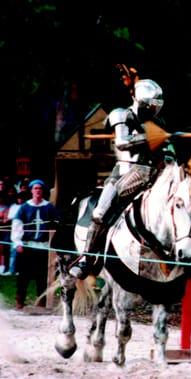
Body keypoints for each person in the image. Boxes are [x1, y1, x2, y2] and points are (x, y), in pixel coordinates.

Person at [69, 78, 172, 279]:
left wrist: (169, 150)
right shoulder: (122, 115)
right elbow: (123, 143)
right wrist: (150, 137)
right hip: (127, 172)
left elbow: (167, 151)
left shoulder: (158, 124)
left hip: (154, 173)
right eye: (152, 104)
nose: (155, 109)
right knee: (100, 212)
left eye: (157, 105)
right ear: (142, 102)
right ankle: (86, 259)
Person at [11, 179, 60, 309]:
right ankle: (20, 300)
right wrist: (18, 243)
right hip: (27, 246)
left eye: (40, 188)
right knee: (23, 276)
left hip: (43, 247)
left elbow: (56, 225)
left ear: (43, 191)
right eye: (35, 188)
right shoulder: (24, 208)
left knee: (42, 276)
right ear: (32, 190)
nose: (38, 191)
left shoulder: (49, 207)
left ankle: (41, 301)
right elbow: (17, 226)